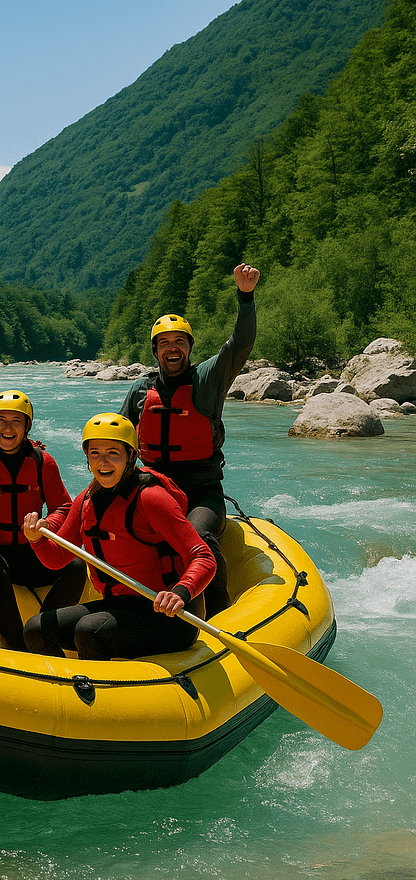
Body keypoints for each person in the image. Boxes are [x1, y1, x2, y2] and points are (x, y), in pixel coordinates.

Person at [120, 263, 260, 617]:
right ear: (155, 351)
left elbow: (240, 344)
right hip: (153, 491)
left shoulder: (208, 380)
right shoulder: (141, 390)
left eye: (179, 342)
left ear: (189, 348)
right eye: (164, 343)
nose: (172, 348)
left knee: (198, 539)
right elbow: (117, 444)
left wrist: (245, 296)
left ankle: (218, 614)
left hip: (201, 492)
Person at [21, 413, 216, 660]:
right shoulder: (85, 501)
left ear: (130, 456)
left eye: (113, 453)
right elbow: (57, 559)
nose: (103, 462)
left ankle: (94, 690)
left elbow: (203, 556)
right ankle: (65, 686)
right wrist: (36, 539)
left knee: (90, 631)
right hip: (118, 607)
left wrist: (180, 592)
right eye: (95, 453)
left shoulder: (151, 499)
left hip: (170, 615)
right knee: (36, 629)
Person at [0, 389, 87, 651]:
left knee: (75, 564)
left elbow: (63, 507)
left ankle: (43, 629)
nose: (8, 428)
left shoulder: (43, 462)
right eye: (1, 421)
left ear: (27, 427)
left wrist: (46, 526)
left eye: (16, 421)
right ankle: (17, 643)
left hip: (27, 551)